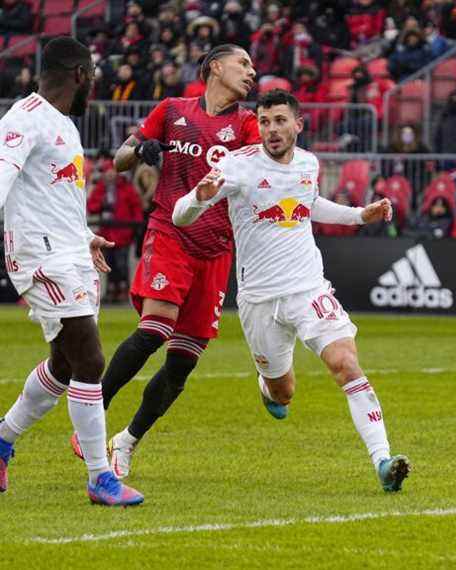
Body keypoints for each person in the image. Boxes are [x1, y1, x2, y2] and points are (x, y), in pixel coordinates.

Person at [172, 89, 411, 492]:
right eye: (265, 122)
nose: (272, 130)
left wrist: (358, 215)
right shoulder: (237, 166)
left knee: (345, 363)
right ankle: (268, 387)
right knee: (284, 393)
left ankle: (383, 461)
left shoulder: (308, 163)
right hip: (259, 299)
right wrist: (199, 198)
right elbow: (180, 215)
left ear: (298, 124)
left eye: (280, 121)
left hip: (307, 288)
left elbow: (309, 203)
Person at [70, 44, 260, 479]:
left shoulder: (248, 125)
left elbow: (258, 176)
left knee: (181, 365)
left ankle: (127, 441)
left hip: (216, 249)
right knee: (154, 329)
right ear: (216, 66)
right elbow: (119, 160)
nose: (251, 72)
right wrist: (143, 150)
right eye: (243, 63)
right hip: (170, 232)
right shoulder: (173, 109)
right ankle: (92, 417)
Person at [0, 36, 143, 506]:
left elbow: (54, 196)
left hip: (69, 251)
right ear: (81, 74)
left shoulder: (63, 125)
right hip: (42, 257)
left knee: (64, 365)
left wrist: (86, 237)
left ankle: (2, 439)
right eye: (94, 77)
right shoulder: (24, 118)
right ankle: (101, 478)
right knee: (91, 359)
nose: (96, 85)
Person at [86, 166, 145, 303]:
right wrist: (102, 202)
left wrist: (135, 227)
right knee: (109, 263)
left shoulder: (126, 188)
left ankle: (123, 292)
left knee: (122, 264)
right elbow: (91, 207)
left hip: (123, 233)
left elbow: (136, 208)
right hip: (107, 233)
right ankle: (111, 292)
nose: (110, 175)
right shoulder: (101, 189)